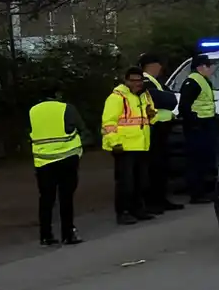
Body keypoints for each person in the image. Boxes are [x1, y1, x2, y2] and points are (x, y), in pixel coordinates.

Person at [28, 89, 91, 245]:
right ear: (57, 94)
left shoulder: (33, 111)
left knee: (46, 198)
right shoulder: (66, 108)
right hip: (67, 157)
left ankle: (45, 235)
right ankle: (68, 233)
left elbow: (30, 132)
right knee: (66, 197)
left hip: (43, 161)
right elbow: (81, 128)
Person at [102, 66, 155, 224]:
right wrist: (115, 143)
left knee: (141, 181)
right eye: (133, 80)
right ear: (126, 81)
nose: (137, 83)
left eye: (140, 80)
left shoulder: (144, 96)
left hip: (141, 144)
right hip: (124, 146)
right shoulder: (117, 97)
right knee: (126, 183)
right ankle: (123, 212)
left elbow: (149, 117)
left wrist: (152, 116)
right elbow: (108, 122)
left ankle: (137, 209)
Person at [138, 53, 183, 213]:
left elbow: (169, 98)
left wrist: (168, 97)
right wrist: (168, 97)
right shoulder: (144, 81)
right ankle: (153, 202)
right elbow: (165, 99)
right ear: (151, 65)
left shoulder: (155, 81)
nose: (161, 68)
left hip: (162, 128)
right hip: (153, 128)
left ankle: (161, 199)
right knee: (154, 168)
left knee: (162, 167)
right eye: (158, 65)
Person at [179, 54, 219, 204]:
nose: (211, 69)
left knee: (205, 160)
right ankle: (196, 194)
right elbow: (184, 107)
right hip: (197, 128)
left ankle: (203, 191)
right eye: (209, 66)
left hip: (205, 125)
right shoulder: (193, 82)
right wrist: (195, 123)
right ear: (201, 67)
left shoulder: (202, 81)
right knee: (196, 162)